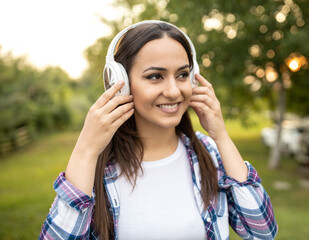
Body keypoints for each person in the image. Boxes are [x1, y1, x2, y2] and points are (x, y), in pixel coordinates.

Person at [39, 20, 277, 240]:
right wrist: (86, 150)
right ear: (119, 82)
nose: (174, 91)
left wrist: (221, 137)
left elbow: (262, 232)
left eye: (182, 74)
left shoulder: (209, 152)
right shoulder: (94, 168)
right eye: (155, 76)